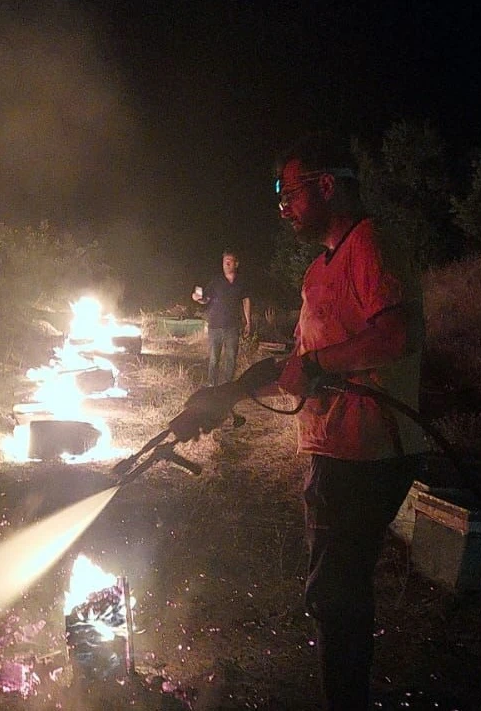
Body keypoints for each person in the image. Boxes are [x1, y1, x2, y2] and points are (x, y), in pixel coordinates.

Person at [173, 133, 427, 710]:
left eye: (290, 193)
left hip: (369, 448)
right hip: (333, 445)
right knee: (335, 592)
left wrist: (316, 365)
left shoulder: (372, 245)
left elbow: (394, 335)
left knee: (336, 593)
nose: (283, 206)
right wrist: (226, 395)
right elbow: (291, 367)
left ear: (328, 186)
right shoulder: (319, 271)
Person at [192, 248, 253, 386]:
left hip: (232, 327)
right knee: (214, 359)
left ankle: (227, 387)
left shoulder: (241, 282)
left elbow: (246, 301)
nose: (226, 265)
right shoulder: (216, 281)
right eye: (224, 262)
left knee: (231, 358)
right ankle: (211, 386)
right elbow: (206, 299)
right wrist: (198, 298)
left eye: (229, 262)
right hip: (215, 326)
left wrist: (248, 322)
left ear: (236, 264)